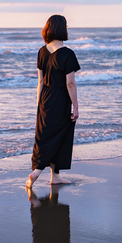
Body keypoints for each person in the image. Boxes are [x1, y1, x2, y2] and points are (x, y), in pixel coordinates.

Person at [26, 15, 80, 188]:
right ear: (63, 29)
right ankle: (37, 172)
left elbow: (40, 81)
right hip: (60, 100)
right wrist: (76, 107)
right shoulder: (67, 54)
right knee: (60, 136)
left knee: (44, 136)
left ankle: (55, 176)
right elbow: (70, 83)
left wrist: (39, 104)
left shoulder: (41, 51)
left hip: (44, 99)